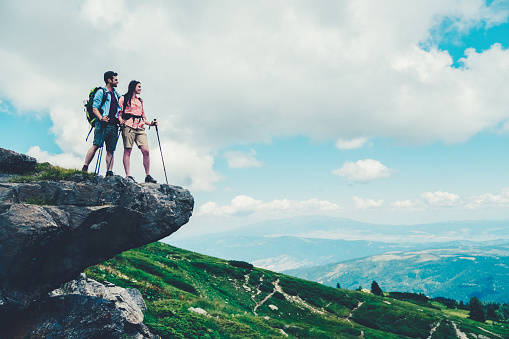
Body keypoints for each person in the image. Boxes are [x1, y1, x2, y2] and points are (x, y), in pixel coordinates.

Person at [82, 71, 122, 176]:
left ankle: (109, 171)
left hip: (114, 125)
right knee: (96, 145)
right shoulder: (101, 92)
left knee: (110, 150)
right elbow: (95, 108)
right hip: (102, 124)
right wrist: (101, 118)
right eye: (116, 79)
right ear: (109, 80)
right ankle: (85, 166)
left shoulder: (116, 94)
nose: (118, 81)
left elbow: (123, 103)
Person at [118, 80, 157, 183]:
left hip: (140, 126)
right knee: (128, 150)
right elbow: (119, 113)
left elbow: (143, 116)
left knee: (146, 151)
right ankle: (128, 175)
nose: (140, 88)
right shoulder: (123, 98)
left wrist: (151, 124)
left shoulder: (140, 100)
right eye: (139, 87)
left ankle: (147, 175)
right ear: (133, 87)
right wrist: (121, 120)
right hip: (128, 126)